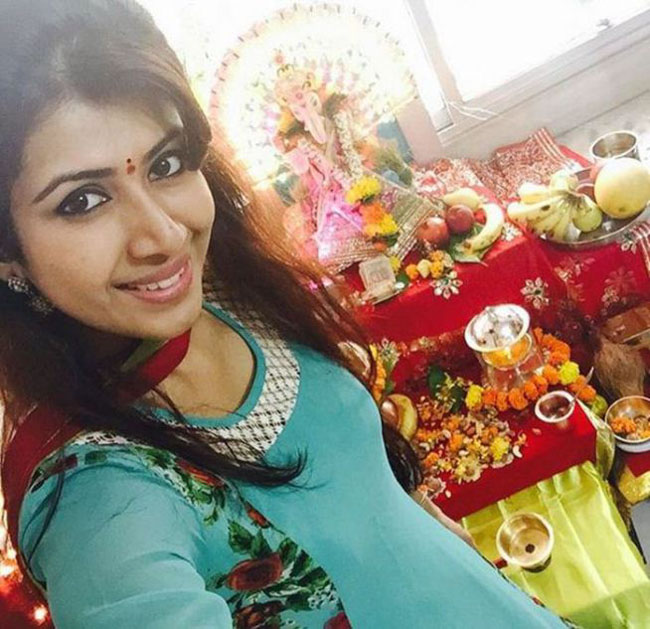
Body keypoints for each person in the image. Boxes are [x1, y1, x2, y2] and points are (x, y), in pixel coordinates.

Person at [0, 1, 572, 627]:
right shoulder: (96, 501)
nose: (163, 234)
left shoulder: (220, 283)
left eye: (166, 164)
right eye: (83, 201)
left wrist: (423, 529)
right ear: (8, 254)